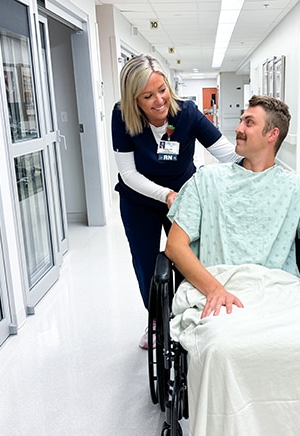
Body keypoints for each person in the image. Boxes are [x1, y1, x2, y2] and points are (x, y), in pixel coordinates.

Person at [165, 95, 300, 435]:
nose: (237, 128)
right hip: (222, 289)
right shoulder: (206, 181)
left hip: (280, 292)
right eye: (240, 120)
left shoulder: (296, 188)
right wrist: (214, 288)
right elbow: (175, 247)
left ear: (272, 135)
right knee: (223, 350)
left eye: (248, 123)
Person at [111, 54, 240, 349]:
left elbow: (227, 154)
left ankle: (185, 314)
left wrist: (259, 153)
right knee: (145, 262)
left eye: (162, 90)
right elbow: (128, 173)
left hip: (183, 197)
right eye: (148, 95)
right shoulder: (122, 117)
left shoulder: (187, 114)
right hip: (139, 200)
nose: (159, 100)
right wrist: (165, 194)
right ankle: (155, 319)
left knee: (186, 257)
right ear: (134, 100)